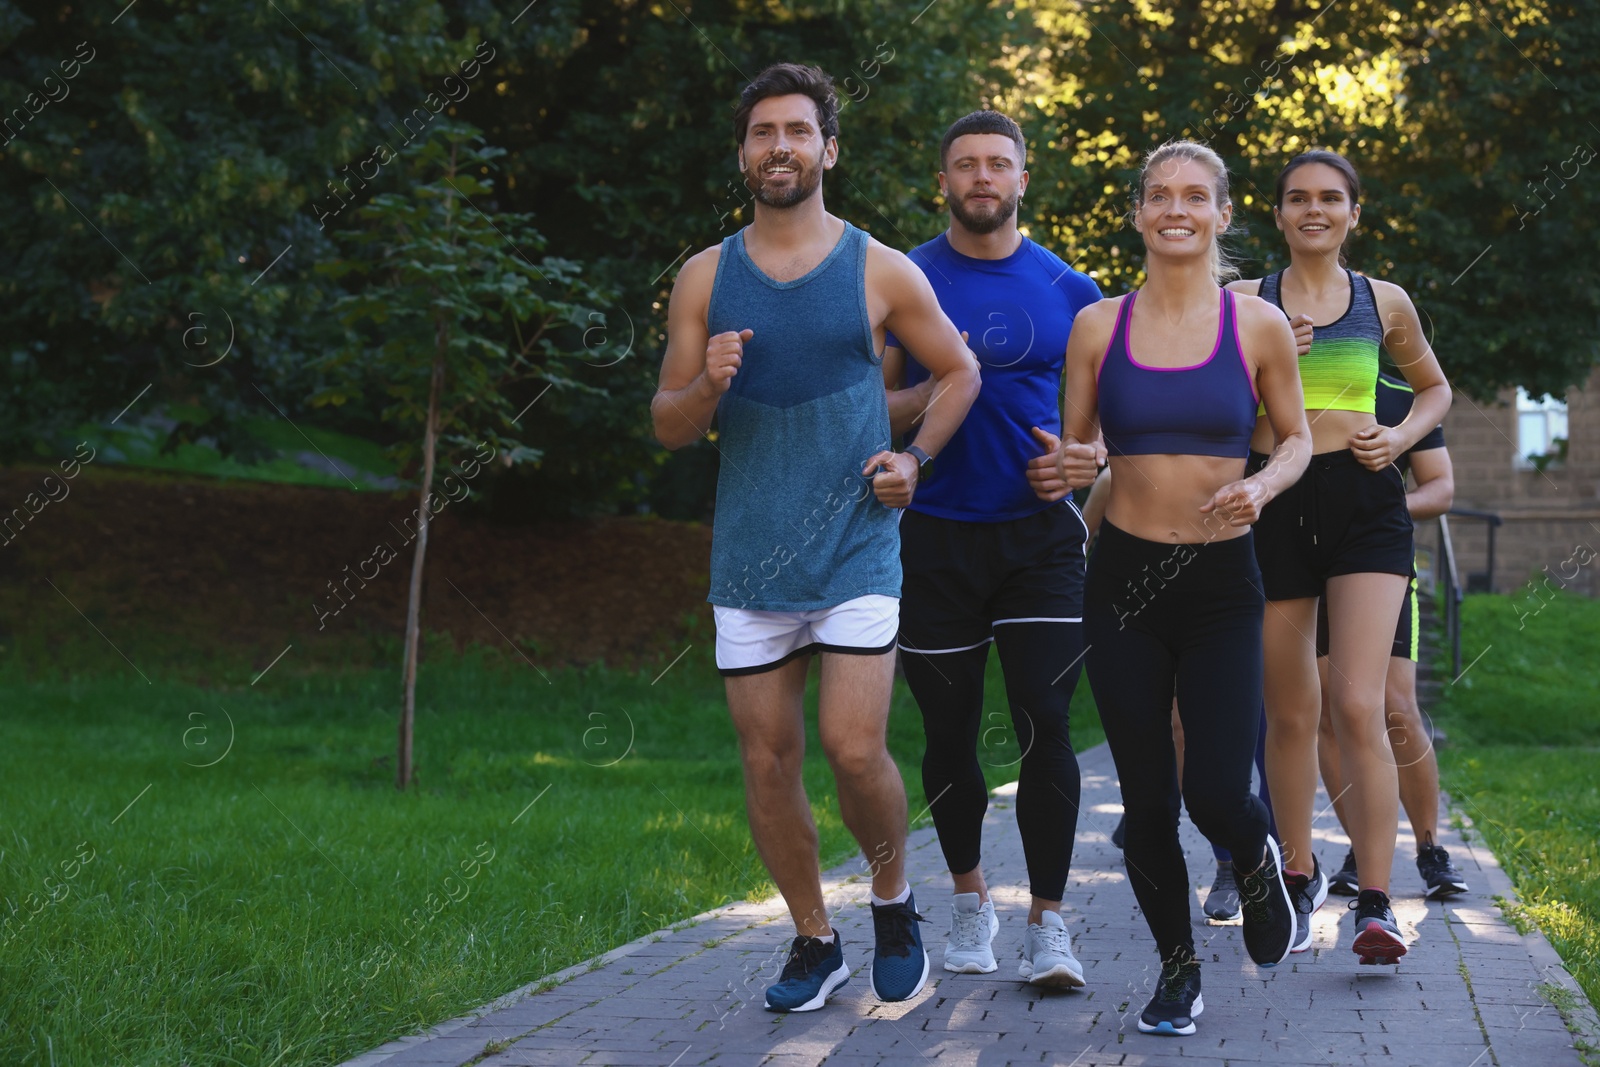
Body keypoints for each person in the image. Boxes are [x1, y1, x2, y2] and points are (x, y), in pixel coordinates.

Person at [650, 62, 980, 1012]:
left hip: (857, 547)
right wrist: (707, 385)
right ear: (744, 153)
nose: (780, 147)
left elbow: (959, 372)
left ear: (828, 150)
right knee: (765, 760)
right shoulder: (706, 278)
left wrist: (914, 460)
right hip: (750, 557)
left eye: (798, 131)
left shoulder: (878, 266)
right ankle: (812, 936)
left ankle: (892, 898)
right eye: (763, 133)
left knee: (851, 745)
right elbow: (668, 425)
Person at [1058, 139, 1309, 1036]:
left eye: (1195, 195)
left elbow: (1297, 439)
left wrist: (1265, 485)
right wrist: (1070, 463)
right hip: (1122, 579)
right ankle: (1177, 971)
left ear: (1223, 212)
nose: (1176, 209)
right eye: (1159, 195)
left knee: (1213, 788)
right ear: (1137, 213)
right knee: (1149, 801)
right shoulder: (1097, 325)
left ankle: (1255, 852)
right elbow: (1078, 451)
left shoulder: (1257, 326)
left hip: (1220, 582)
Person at [880, 110, 1102, 987]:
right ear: (944, 180)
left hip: (1043, 538)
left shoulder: (1071, 288)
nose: (982, 177)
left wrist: (1088, 461)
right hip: (933, 536)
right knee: (949, 729)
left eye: (997, 164)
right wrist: (947, 382)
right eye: (965, 164)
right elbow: (874, 406)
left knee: (1048, 723)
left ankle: (1051, 923)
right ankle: (971, 903)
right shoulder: (902, 281)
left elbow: (1109, 426)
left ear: (1022, 177)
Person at [1230, 149, 1452, 965]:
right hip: (1276, 500)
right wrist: (1259, 355)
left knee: (1359, 704)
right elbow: (1212, 403)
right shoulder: (1241, 302)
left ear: (1354, 213)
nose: (1313, 210)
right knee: (1291, 712)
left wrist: (1397, 435)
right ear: (1279, 215)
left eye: (1330, 198)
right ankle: (1295, 870)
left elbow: (1435, 389)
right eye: (1298, 199)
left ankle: (1378, 901)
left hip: (1365, 507)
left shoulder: (1383, 300)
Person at [1316, 372, 1469, 900]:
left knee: (1395, 707)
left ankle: (1430, 850)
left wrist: (1370, 518)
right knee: (1330, 714)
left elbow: (1440, 489)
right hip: (1304, 567)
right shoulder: (1277, 378)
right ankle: (1364, 845)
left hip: (1379, 566)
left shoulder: (1402, 397)